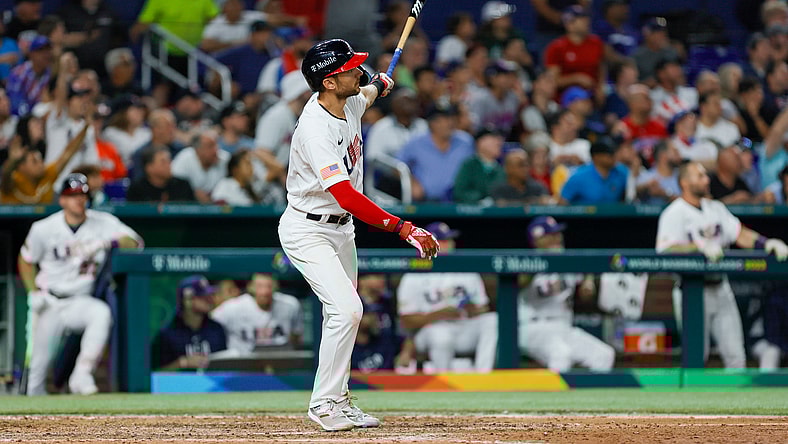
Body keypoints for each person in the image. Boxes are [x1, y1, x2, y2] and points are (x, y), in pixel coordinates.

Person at [277, 39, 438, 431]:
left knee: (345, 314)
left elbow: (370, 91)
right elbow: (346, 196)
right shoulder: (315, 129)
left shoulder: (348, 99)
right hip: (307, 228)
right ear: (328, 83)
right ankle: (324, 405)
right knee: (348, 310)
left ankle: (339, 399)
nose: (357, 71)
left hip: (339, 231)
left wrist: (382, 85)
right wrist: (403, 227)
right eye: (348, 68)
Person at [18, 173, 143, 395]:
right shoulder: (44, 228)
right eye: (72, 195)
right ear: (62, 200)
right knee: (36, 372)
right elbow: (26, 260)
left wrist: (107, 242)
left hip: (80, 300)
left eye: (83, 195)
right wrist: (32, 292)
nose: (79, 199)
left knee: (101, 314)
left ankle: (81, 374)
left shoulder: (103, 223)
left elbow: (136, 243)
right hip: (49, 301)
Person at [656, 161, 788, 368]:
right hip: (691, 290)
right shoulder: (674, 213)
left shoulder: (715, 208)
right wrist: (697, 248)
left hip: (721, 288)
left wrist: (766, 243)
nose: (706, 180)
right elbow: (665, 250)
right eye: (699, 176)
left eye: (705, 176)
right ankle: (693, 400)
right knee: (697, 356)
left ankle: (738, 401)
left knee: (736, 357)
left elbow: (740, 234)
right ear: (684, 182)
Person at [396, 221, 498, 373]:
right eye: (445, 240)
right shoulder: (414, 275)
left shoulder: (464, 269)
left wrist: (473, 309)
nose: (451, 244)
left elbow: (483, 306)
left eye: (450, 240)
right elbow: (406, 321)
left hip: (463, 327)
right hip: (430, 331)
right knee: (441, 335)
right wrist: (440, 314)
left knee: (492, 320)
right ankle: (444, 382)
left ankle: (483, 375)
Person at [519, 216, 615, 372]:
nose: (557, 238)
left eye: (558, 233)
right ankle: (553, 397)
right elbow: (520, 280)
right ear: (537, 240)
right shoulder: (527, 262)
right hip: (532, 326)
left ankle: (591, 397)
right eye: (551, 235)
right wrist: (542, 258)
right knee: (562, 355)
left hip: (563, 327)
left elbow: (588, 266)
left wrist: (588, 281)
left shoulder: (568, 261)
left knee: (604, 355)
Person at [211, 273, 303, 354]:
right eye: (260, 286)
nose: (264, 292)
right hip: (242, 367)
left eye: (269, 286)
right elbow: (210, 321)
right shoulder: (233, 308)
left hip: (279, 365)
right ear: (250, 287)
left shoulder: (290, 305)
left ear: (276, 286)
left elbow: (296, 337)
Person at [397, 106, 475, 202]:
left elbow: (475, 167)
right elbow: (398, 166)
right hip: (425, 203)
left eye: (451, 118)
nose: (450, 123)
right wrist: (412, 182)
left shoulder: (465, 142)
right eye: (445, 119)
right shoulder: (416, 143)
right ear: (432, 123)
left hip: (459, 202)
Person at [151, 275, 227, 370]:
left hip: (213, 383)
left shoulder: (216, 329)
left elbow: (225, 367)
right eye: (203, 296)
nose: (210, 300)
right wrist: (182, 363)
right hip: (179, 384)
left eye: (210, 295)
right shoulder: (167, 334)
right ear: (187, 300)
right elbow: (155, 374)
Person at [0, 122, 89, 204]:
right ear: (21, 166)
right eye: (34, 162)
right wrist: (13, 161)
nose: (41, 164)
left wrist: (86, 126)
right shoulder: (15, 179)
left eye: (41, 160)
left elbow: (68, 153)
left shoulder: (47, 175)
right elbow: (6, 176)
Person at [544, 5, 605, 96]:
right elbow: (553, 81)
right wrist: (576, 79)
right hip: (567, 94)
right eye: (581, 19)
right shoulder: (556, 47)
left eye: (586, 18)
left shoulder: (596, 43)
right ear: (569, 25)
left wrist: (601, 88)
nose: (586, 22)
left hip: (593, 92)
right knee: (578, 95)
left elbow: (601, 68)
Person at [351, 274, 404, 373]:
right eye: (376, 276)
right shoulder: (353, 303)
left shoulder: (386, 302)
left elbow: (402, 339)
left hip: (384, 357)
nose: (382, 280)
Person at [560, 140, 629, 204]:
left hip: (614, 216)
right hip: (584, 216)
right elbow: (563, 202)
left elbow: (633, 191)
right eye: (610, 155)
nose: (614, 157)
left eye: (615, 154)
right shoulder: (579, 176)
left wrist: (634, 172)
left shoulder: (621, 172)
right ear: (596, 156)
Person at [171, 129, 230, 203]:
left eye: (216, 145)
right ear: (198, 150)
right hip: (188, 205)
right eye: (210, 146)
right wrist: (192, 192)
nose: (215, 150)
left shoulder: (225, 159)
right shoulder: (185, 157)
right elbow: (174, 183)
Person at [126, 145, 196, 202]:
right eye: (163, 162)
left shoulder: (183, 186)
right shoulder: (137, 189)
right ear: (149, 167)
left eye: (169, 161)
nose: (169, 165)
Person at [452, 127, 505, 204]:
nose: (498, 142)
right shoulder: (469, 165)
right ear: (480, 142)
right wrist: (479, 200)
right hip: (471, 213)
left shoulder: (500, 169)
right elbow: (460, 192)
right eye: (493, 138)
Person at [6, 35, 52, 116]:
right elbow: (15, 105)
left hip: (40, 116)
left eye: (48, 50)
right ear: (31, 54)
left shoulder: (49, 72)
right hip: (18, 118)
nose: (46, 55)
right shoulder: (18, 74)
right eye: (41, 51)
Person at [635, 140, 681, 205]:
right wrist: (646, 187)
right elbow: (635, 192)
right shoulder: (647, 176)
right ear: (662, 156)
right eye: (675, 151)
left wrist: (665, 194)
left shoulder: (681, 176)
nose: (679, 155)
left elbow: (688, 201)